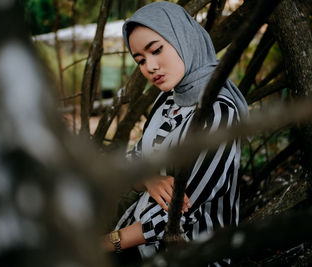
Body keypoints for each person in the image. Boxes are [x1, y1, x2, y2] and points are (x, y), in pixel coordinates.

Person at [102, 1, 248, 265]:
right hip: (139, 242)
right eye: (141, 60)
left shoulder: (218, 114)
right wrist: (148, 178)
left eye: (156, 50)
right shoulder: (167, 100)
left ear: (183, 38)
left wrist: (109, 242)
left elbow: (179, 213)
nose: (150, 66)